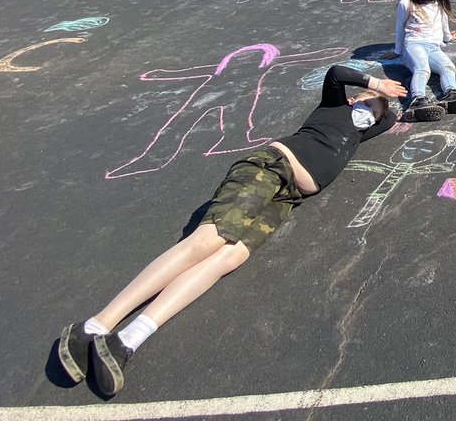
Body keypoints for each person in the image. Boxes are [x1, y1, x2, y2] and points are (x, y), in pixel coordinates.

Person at [57, 66, 406, 398]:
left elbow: (390, 118)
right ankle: (93, 327)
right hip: (271, 168)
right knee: (207, 240)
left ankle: (127, 341)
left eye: (374, 115)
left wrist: (388, 105)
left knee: (229, 256)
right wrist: (378, 86)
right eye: (370, 107)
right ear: (353, 99)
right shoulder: (333, 105)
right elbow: (336, 74)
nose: (373, 114)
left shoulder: (358, 133)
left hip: (290, 198)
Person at [384, 0, 456, 121]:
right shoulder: (407, 3)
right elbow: (400, 27)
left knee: (448, 66)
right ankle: (417, 100)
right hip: (413, 45)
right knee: (422, 68)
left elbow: (443, 24)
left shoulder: (438, 5)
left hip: (433, 46)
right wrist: (398, 50)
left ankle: (451, 95)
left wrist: (448, 37)